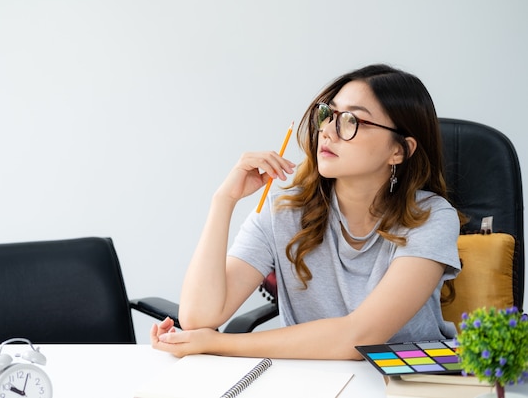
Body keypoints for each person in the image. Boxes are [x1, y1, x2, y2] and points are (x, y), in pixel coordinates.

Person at [151, 64, 461, 360]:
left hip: (412, 381)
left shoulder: (432, 218)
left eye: (351, 120)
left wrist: (220, 343)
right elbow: (197, 316)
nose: (327, 130)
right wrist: (223, 201)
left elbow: (360, 337)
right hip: (313, 379)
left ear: (399, 150)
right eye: (328, 114)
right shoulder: (284, 209)